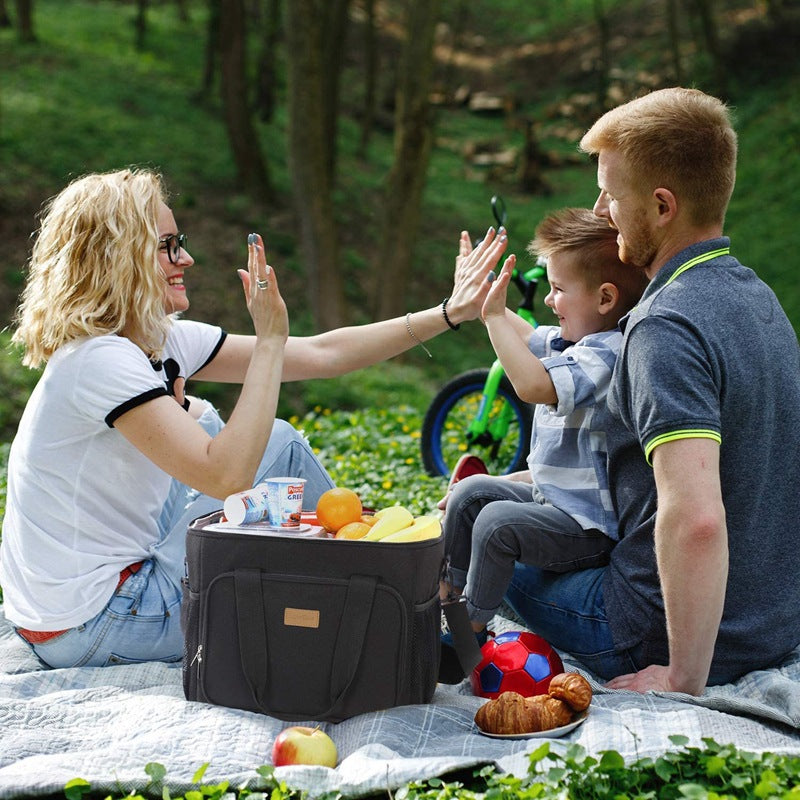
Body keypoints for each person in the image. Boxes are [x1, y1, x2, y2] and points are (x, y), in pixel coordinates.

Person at [0, 167, 504, 670]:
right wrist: (268, 342)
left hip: (83, 606)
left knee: (215, 425)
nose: (186, 258)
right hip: (100, 620)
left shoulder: (154, 340)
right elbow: (228, 477)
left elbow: (323, 354)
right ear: (119, 257)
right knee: (276, 446)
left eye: (181, 243)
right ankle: (401, 604)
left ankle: (376, 583)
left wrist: (448, 313)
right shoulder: (100, 359)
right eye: (167, 246)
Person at [503, 87, 800, 695]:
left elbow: (696, 519)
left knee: (480, 541)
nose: (600, 210)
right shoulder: (758, 298)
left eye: (611, 195)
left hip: (660, 631)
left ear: (662, 206)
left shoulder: (663, 328)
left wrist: (681, 677)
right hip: (774, 623)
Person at [438, 208, 647, 681]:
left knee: (496, 523)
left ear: (605, 298)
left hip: (585, 527)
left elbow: (533, 386)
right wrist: (481, 294)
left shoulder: (609, 354)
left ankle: (466, 637)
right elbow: (530, 337)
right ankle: (444, 602)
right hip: (550, 502)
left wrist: (493, 317)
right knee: (471, 493)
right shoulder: (577, 342)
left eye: (558, 289)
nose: (549, 299)